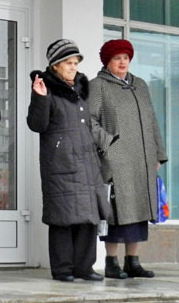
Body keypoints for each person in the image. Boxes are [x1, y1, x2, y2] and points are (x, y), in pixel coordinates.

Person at [26, 39, 106, 282]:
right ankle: (62, 269)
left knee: (88, 216)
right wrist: (40, 98)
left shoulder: (80, 91)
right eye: (68, 63)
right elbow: (37, 124)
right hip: (60, 164)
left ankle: (84, 268)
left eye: (75, 63)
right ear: (55, 66)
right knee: (63, 218)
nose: (73, 67)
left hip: (86, 162)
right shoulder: (46, 89)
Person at [89, 39, 167, 279]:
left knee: (140, 211)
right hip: (116, 160)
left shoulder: (140, 85)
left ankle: (133, 261)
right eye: (117, 58)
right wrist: (108, 144)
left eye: (125, 57)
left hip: (143, 159)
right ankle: (111, 262)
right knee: (116, 212)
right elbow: (89, 120)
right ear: (107, 61)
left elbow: (152, 120)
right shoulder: (98, 86)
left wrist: (159, 154)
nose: (122, 62)